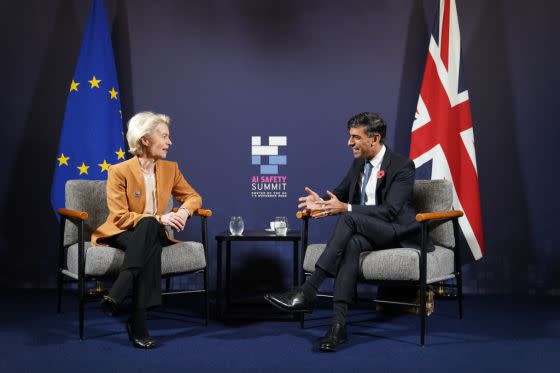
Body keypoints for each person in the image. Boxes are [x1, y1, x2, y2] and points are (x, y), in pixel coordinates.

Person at [264, 112, 431, 352]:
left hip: (396, 232)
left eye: (355, 137)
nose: (349, 143)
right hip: (367, 233)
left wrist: (346, 208)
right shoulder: (358, 165)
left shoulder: (402, 166)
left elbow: (391, 211)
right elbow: (339, 194)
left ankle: (308, 291)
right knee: (352, 243)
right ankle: (338, 326)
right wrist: (320, 203)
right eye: (349, 137)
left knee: (350, 218)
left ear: (374, 139)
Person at [91, 111, 202, 349]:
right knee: (150, 226)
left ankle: (119, 291)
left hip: (152, 233)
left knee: (151, 228)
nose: (169, 142)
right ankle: (138, 322)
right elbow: (120, 216)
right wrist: (161, 218)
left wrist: (183, 212)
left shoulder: (170, 169)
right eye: (164, 136)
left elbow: (193, 197)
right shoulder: (119, 171)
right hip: (123, 232)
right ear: (145, 139)